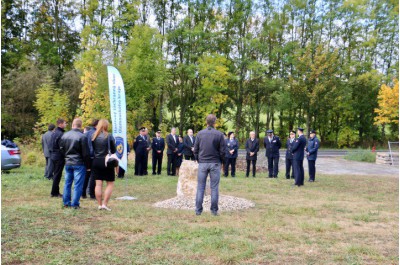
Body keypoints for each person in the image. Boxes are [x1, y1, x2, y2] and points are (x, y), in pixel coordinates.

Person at [194, 114, 226, 216]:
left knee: (200, 187)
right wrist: (221, 161)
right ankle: (214, 210)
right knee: (214, 187)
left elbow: (196, 150)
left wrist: (199, 160)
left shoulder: (200, 134)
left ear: (206, 122)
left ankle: (198, 210)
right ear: (215, 123)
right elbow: (223, 151)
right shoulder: (219, 134)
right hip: (215, 162)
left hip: (203, 162)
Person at [59, 118, 90, 209]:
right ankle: (75, 204)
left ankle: (66, 202)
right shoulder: (82, 136)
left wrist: (66, 157)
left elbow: (61, 149)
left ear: (73, 125)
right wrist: (88, 165)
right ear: (81, 126)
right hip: (79, 163)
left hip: (68, 162)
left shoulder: (65, 135)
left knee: (67, 183)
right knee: (78, 184)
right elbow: (86, 153)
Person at [91, 119, 117, 211]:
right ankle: (105, 204)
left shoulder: (93, 136)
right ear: (106, 126)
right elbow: (113, 150)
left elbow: (92, 150)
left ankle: (99, 204)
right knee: (110, 183)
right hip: (107, 161)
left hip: (96, 161)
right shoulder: (109, 136)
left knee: (98, 184)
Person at [50, 118, 67, 198]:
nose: (66, 124)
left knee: (56, 174)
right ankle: (54, 192)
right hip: (59, 156)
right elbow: (62, 147)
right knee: (57, 174)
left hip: (53, 155)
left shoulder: (54, 133)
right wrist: (65, 155)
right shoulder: (60, 134)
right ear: (60, 124)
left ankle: (55, 191)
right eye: (65, 123)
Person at [82, 119, 98, 199]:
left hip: (86, 157)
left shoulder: (85, 134)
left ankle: (83, 193)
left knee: (86, 175)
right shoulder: (97, 133)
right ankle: (92, 194)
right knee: (93, 176)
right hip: (94, 156)